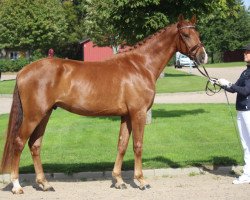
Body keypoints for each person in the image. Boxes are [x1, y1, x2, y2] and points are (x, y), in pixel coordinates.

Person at [218, 44, 250, 184]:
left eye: (248, 52)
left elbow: (245, 91)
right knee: (245, 143)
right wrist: (220, 83)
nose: (245, 54)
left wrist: (229, 83)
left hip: (248, 110)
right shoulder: (245, 72)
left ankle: (247, 174)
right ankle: (248, 173)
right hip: (241, 110)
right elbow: (233, 89)